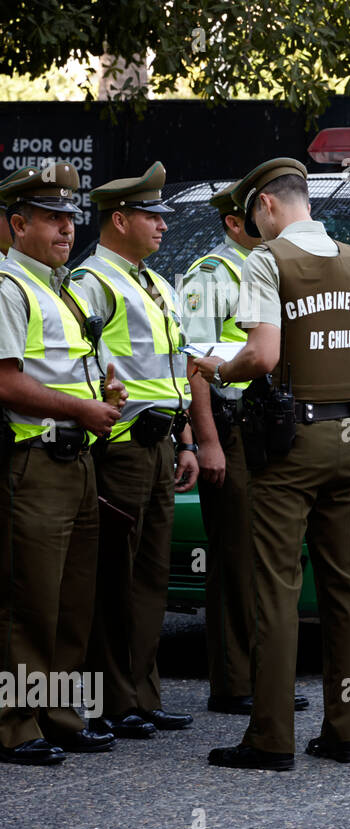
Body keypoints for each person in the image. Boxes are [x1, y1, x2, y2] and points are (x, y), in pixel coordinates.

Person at [196, 157, 350, 770]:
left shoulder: (268, 260)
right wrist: (335, 374)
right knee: (345, 583)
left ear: (265, 207)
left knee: (276, 587)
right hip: (345, 439)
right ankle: (345, 730)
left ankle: (271, 737)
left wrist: (218, 369)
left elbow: (261, 355)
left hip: (288, 448)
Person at [0, 163, 126, 764]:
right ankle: (15, 724)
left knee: (74, 600)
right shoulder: (9, 286)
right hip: (36, 461)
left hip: (76, 459)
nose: (65, 228)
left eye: (69, 218)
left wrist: (101, 403)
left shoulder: (55, 285)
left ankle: (60, 712)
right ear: (17, 223)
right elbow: (6, 384)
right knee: (30, 601)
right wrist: (81, 407)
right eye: (50, 218)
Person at [73, 162, 199, 742]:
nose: (162, 226)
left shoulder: (155, 282)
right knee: (113, 582)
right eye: (152, 216)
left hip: (161, 445)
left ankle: (141, 697)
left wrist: (189, 440)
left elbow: (178, 368)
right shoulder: (92, 283)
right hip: (120, 448)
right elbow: (79, 367)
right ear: (119, 219)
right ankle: (109, 701)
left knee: (150, 582)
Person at [179, 182, 308, 717]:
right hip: (229, 427)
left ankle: (263, 674)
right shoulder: (213, 275)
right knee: (233, 556)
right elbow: (195, 363)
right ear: (236, 223)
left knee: (261, 555)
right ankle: (235, 682)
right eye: (254, 213)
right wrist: (208, 440)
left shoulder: (267, 266)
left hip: (262, 427)